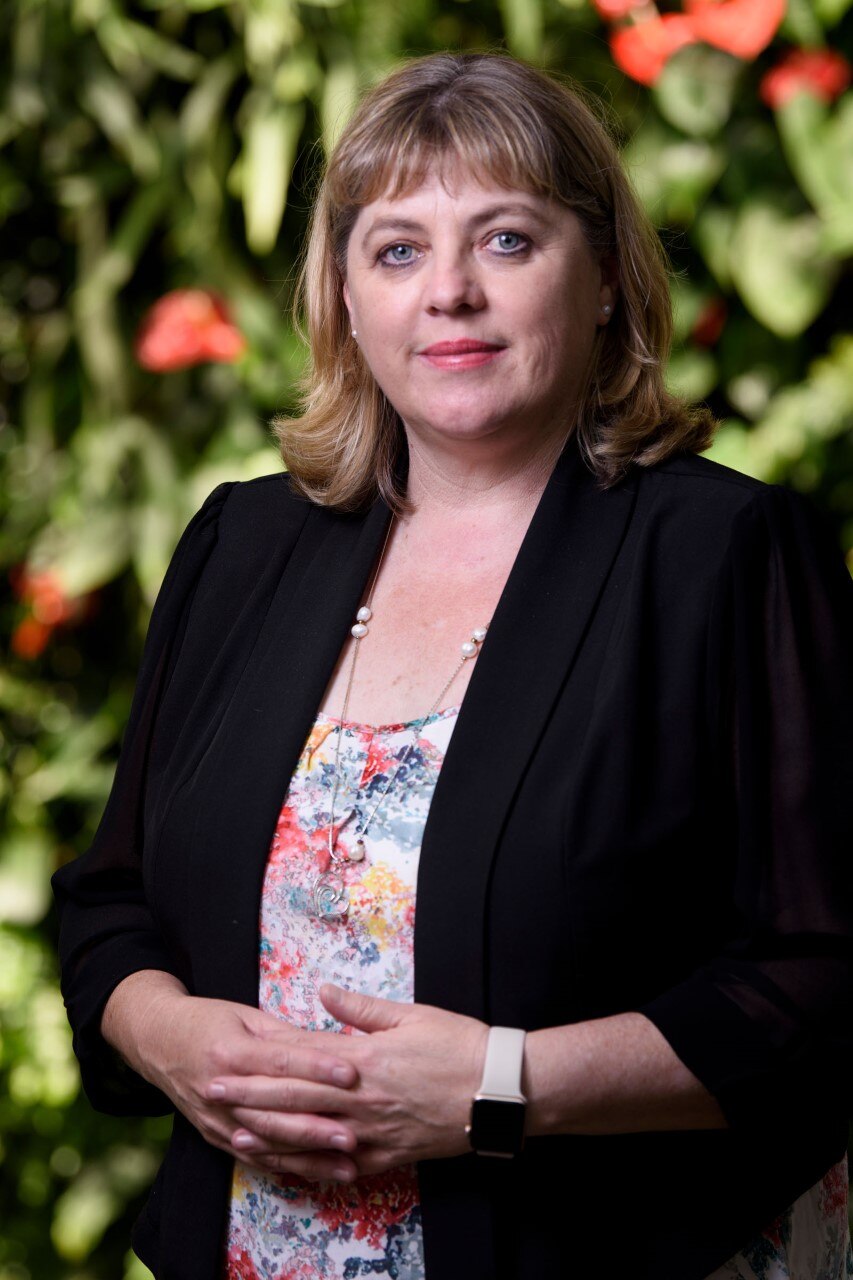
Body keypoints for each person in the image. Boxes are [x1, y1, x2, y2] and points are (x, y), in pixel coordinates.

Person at [51, 51, 853, 1280]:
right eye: (397, 251)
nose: (450, 293)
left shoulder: (727, 555)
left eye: (507, 241)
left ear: (604, 279)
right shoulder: (241, 543)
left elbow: (821, 978)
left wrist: (500, 1084)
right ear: (346, 298)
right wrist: (170, 1040)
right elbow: (109, 902)